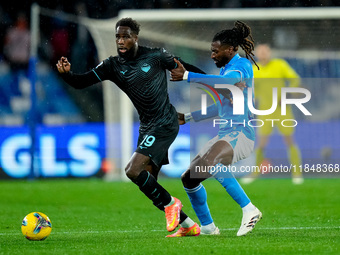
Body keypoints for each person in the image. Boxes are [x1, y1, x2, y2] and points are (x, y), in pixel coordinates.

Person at [56, 18, 204, 236]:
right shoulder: (112, 65)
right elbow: (82, 82)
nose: (121, 41)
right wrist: (67, 75)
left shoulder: (156, 56)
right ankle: (188, 226)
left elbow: (186, 68)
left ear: (136, 37)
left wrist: (214, 83)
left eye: (125, 36)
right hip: (147, 127)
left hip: (164, 121)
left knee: (132, 170)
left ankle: (173, 204)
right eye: (118, 36)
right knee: (150, 186)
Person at [169, 21, 262, 237]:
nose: (212, 56)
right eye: (211, 51)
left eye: (215, 51)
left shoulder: (242, 67)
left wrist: (187, 76)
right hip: (225, 134)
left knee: (213, 161)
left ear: (231, 49)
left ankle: (249, 209)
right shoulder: (225, 69)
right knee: (189, 179)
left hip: (241, 133)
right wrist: (189, 117)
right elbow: (220, 106)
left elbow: (228, 82)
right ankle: (208, 227)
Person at [241, 44, 304, 185]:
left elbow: (295, 79)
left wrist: (287, 93)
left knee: (289, 140)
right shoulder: (253, 69)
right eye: (260, 52)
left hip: (283, 110)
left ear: (269, 52)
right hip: (265, 111)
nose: (263, 54)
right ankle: (255, 173)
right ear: (256, 54)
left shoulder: (279, 64)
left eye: (265, 51)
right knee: (261, 143)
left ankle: (297, 173)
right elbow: (250, 89)